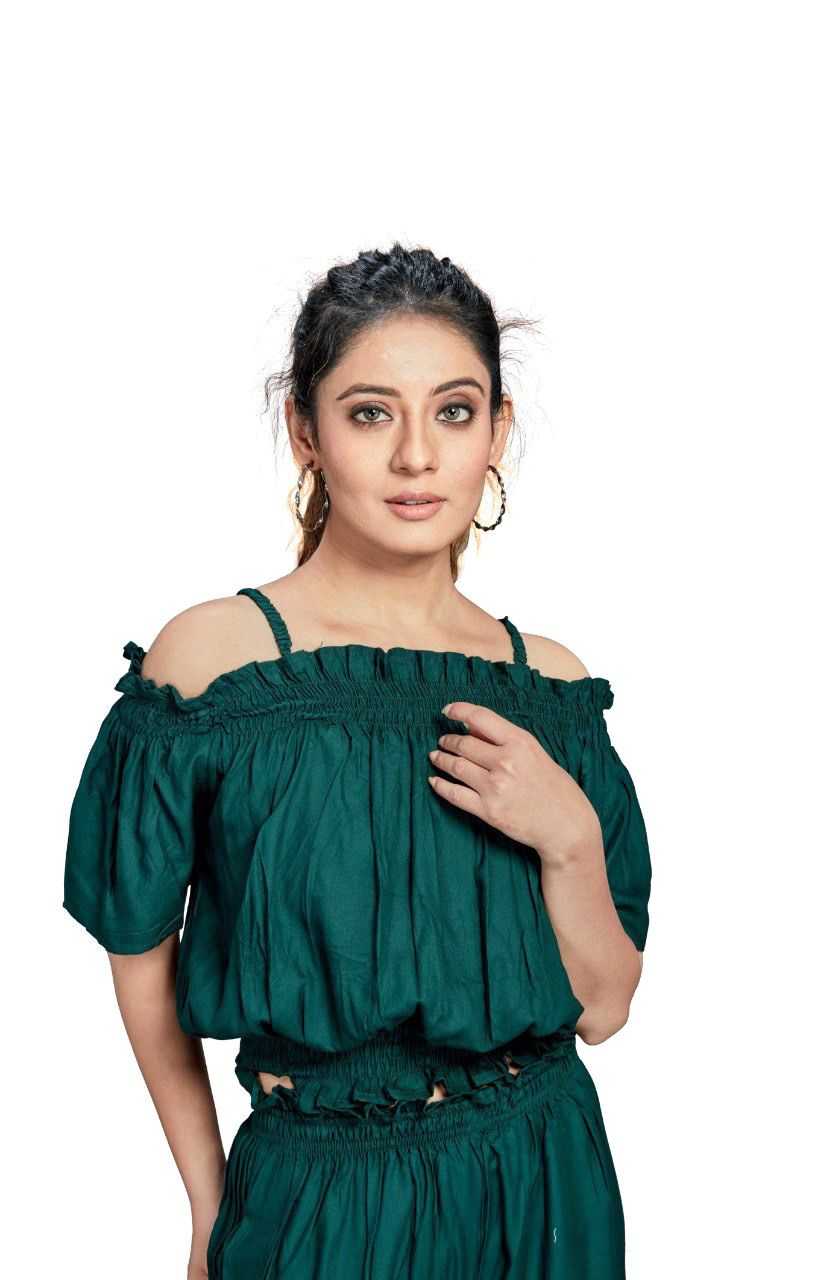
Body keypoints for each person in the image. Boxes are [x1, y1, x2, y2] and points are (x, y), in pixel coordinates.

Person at [62, 243, 652, 1279]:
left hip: (542, 1177)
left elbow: (603, 1007)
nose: (417, 456)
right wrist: (207, 1200)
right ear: (306, 429)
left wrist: (568, 839)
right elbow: (139, 955)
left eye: (454, 411)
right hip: (315, 1192)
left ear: (496, 431)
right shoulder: (214, 665)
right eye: (371, 413)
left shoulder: (550, 686)